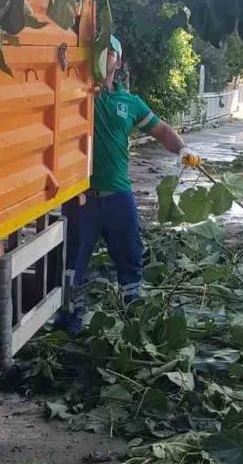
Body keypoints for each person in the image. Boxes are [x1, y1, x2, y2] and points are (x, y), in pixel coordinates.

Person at [65, 35, 200, 306]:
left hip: (118, 193)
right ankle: (70, 317)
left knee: (130, 253)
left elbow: (161, 129)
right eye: (99, 51)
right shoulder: (76, 91)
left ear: (119, 60)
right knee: (73, 259)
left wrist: (183, 149)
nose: (105, 57)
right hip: (80, 196)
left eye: (110, 52)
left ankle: (133, 311)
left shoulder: (130, 102)